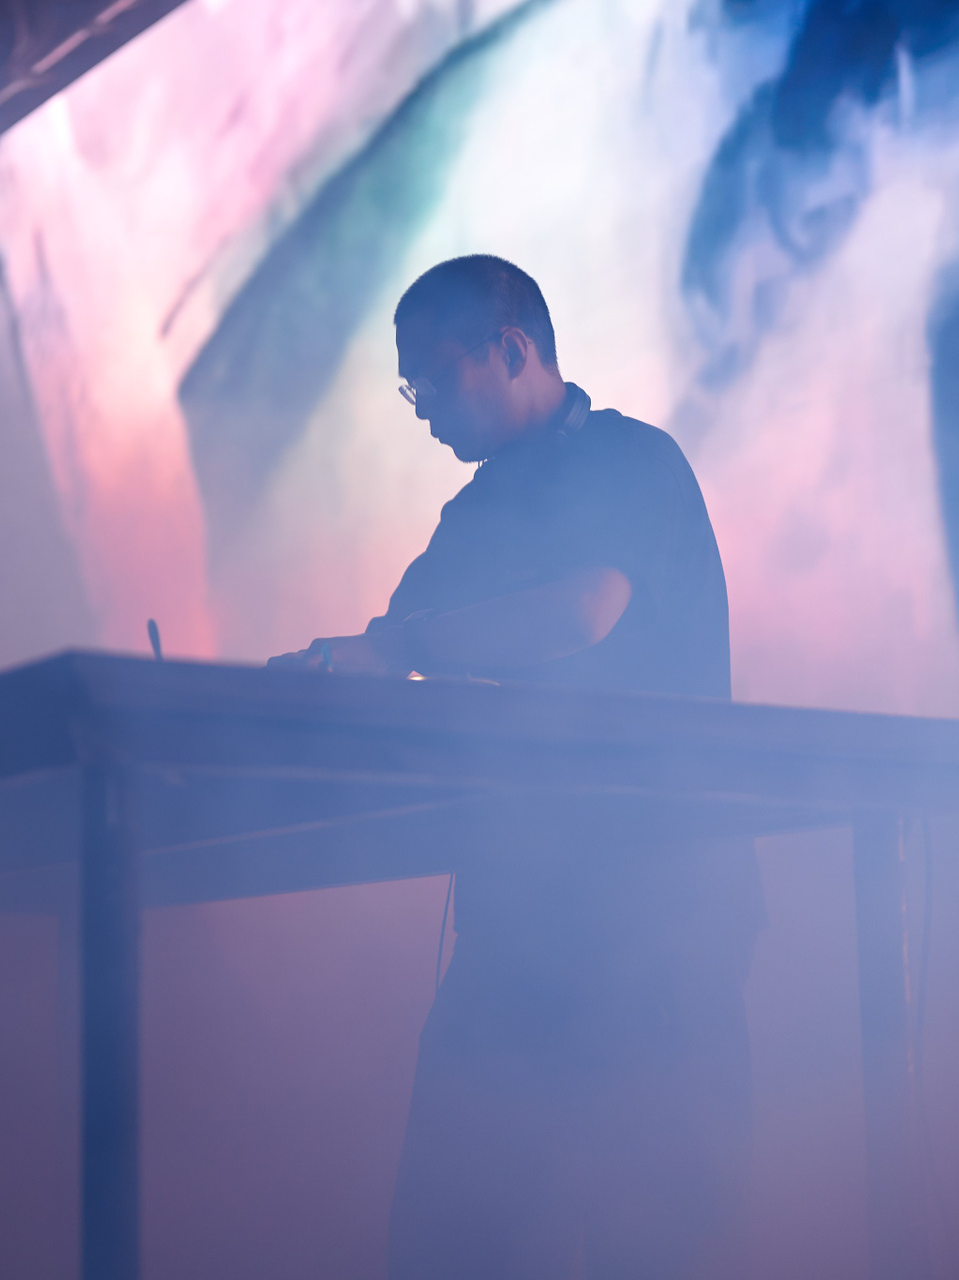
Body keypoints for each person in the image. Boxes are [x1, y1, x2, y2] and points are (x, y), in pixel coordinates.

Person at [270, 255, 763, 1278]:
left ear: (511, 347)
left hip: (663, 910)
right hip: (525, 916)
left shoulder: (633, 460)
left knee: (651, 1231)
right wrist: (328, 673)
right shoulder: (475, 513)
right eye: (407, 386)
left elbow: (581, 612)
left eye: (432, 376)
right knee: (459, 1226)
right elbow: (392, 640)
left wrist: (395, 650)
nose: (420, 405)